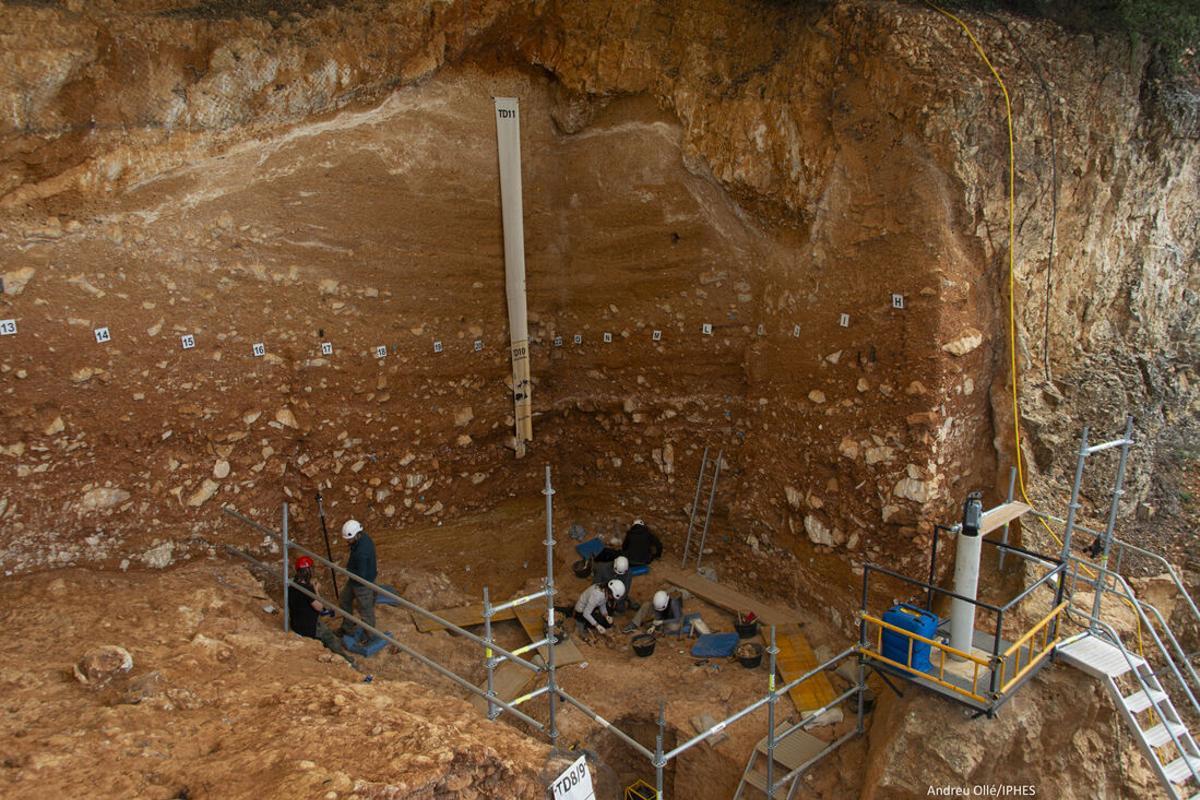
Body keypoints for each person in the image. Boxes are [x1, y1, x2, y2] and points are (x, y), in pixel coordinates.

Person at [287, 556, 356, 666]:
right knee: (332, 640)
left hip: (296, 623)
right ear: (310, 570)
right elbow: (319, 607)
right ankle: (348, 661)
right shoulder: (307, 589)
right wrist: (315, 590)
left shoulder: (291, 585)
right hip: (309, 627)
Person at [337, 519, 378, 643]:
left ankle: (369, 636)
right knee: (344, 600)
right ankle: (347, 627)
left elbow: (361, 574)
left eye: (348, 539)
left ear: (356, 535)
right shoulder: (363, 537)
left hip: (362, 584)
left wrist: (346, 570)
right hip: (355, 579)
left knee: (366, 611)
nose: (347, 542)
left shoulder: (362, 552)